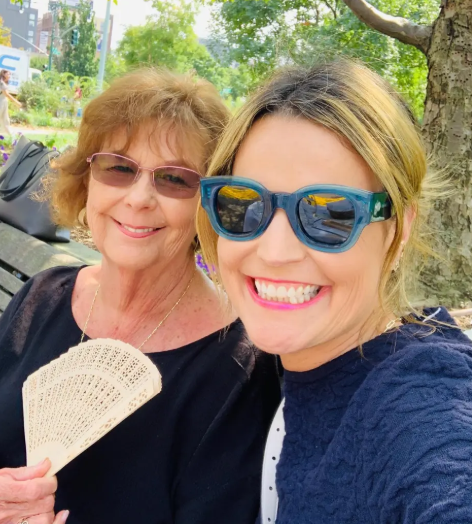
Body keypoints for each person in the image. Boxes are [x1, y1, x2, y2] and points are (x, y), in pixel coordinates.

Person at [0, 69, 281, 524]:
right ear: (87, 180)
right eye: (119, 168)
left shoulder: (240, 370)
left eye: (175, 178)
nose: (139, 198)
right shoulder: (43, 296)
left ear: (209, 204)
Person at [198, 60, 472, 523]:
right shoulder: (295, 365)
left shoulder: (419, 401)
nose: (275, 251)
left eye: (329, 214)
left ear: (399, 228)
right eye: (244, 205)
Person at [0, 69, 21, 136]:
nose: (9, 75)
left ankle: (8, 134)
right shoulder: (1, 83)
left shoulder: (2, 83)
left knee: (3, 119)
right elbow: (6, 94)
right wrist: (16, 102)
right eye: (8, 74)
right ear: (4, 74)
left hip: (2, 102)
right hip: (0, 103)